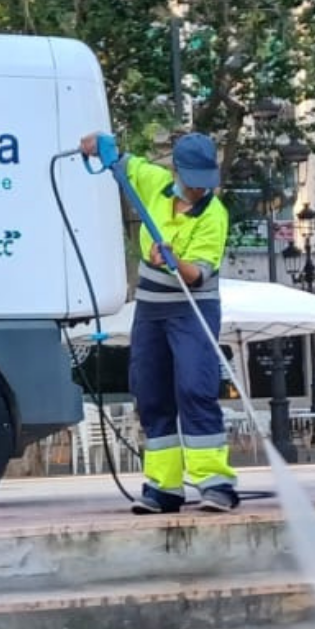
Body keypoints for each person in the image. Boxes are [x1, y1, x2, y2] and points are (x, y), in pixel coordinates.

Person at [80, 130, 238, 513]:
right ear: (177, 172)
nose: (198, 190)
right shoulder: (156, 182)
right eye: (192, 181)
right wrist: (102, 147)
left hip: (192, 310)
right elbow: (124, 164)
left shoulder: (214, 215)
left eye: (204, 183)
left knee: (194, 388)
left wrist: (172, 260)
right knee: (151, 394)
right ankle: (164, 488)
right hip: (151, 311)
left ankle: (216, 484)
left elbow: (196, 275)